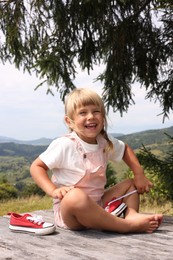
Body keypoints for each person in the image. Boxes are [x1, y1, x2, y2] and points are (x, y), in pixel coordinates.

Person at [30, 88, 163, 233]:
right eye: (83, 113)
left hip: (99, 204)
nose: (91, 116)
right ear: (69, 121)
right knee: (75, 196)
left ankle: (131, 215)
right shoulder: (65, 144)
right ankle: (125, 226)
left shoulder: (103, 141)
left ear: (103, 116)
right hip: (70, 213)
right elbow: (36, 167)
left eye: (96, 111)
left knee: (129, 184)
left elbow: (125, 149)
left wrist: (139, 174)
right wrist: (53, 190)